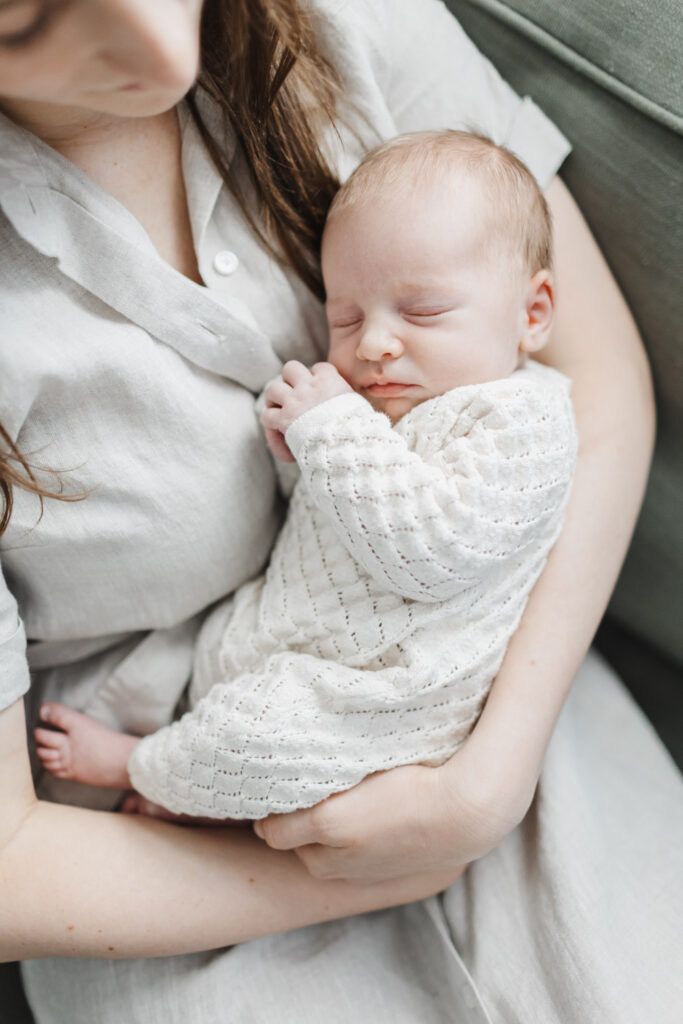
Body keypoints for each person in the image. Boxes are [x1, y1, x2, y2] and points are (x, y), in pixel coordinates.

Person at [0, 2, 678, 1023]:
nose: (159, 47)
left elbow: (586, 377)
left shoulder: (341, 19)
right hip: (164, 839)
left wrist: (482, 787)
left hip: (494, 679)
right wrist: (348, 870)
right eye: (27, 23)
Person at [33, 130, 578, 822]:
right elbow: (335, 526)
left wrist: (332, 431)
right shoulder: (390, 403)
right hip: (282, 638)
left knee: (264, 734)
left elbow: (433, 551)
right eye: (345, 318)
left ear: (531, 314)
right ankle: (197, 794)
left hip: (382, 698)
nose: (374, 344)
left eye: (422, 312)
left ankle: (142, 768)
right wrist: (297, 459)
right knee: (220, 683)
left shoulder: (523, 420)